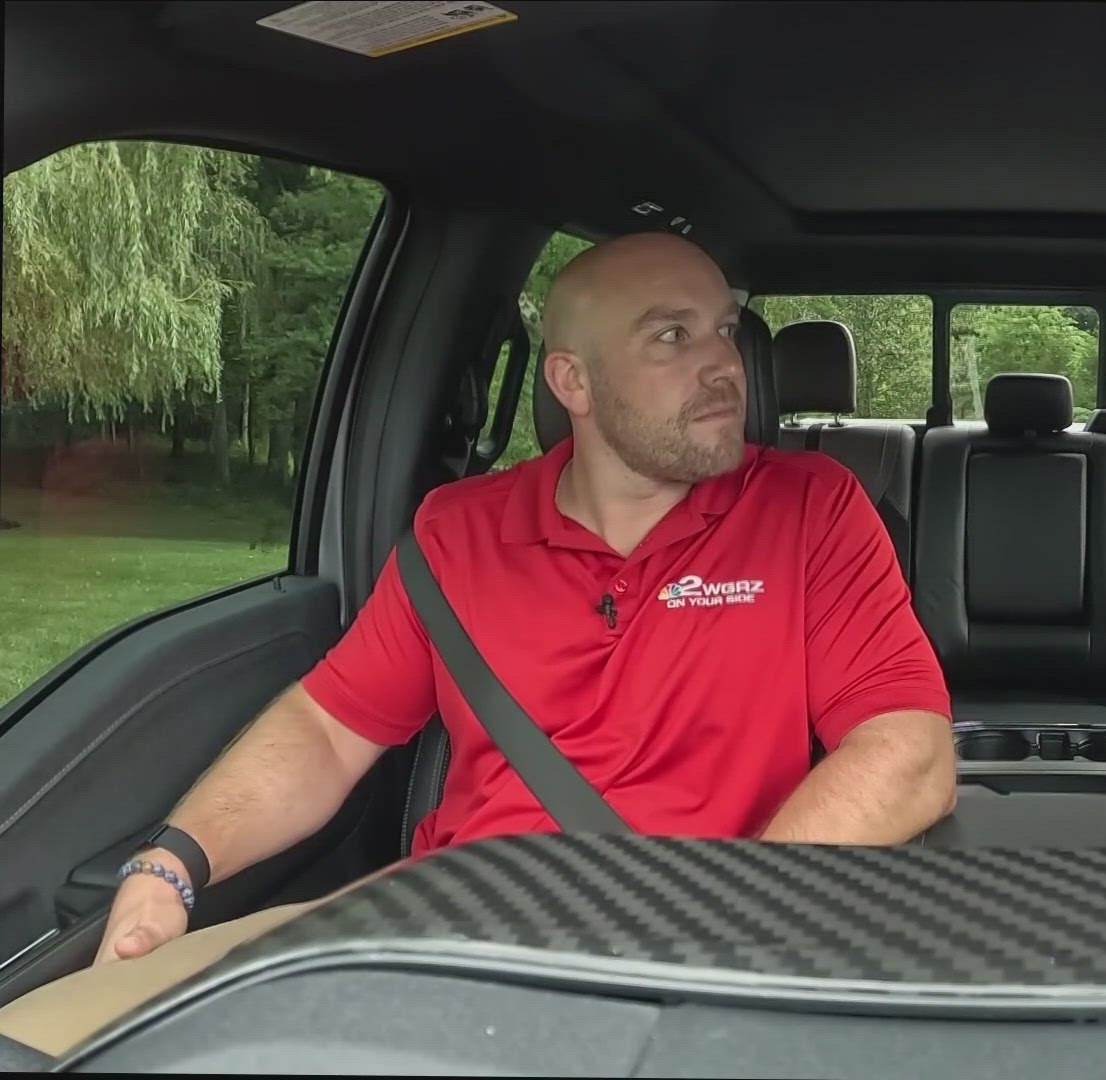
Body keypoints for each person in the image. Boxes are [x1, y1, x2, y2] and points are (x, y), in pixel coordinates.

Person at [0, 231, 957, 1057]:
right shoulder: (459, 530)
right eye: (672, 335)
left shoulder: (807, 508)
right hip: (444, 929)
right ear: (571, 381)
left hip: (700, 933)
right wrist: (176, 861)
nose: (723, 365)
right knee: (57, 1037)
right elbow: (330, 731)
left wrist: (732, 920)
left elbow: (908, 750)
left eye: (724, 330)